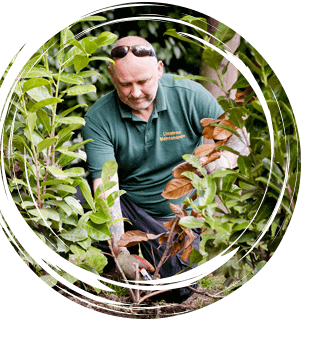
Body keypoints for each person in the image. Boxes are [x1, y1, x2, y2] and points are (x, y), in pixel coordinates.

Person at [76, 35, 247, 303]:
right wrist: (120, 252)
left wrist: (219, 163)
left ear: (159, 69)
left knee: (177, 290)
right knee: (78, 196)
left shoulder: (189, 96)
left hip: (177, 217)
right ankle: (115, 262)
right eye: (125, 84)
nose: (135, 93)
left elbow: (238, 138)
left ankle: (151, 259)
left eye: (143, 82)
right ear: (111, 75)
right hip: (129, 206)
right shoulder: (99, 117)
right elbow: (106, 188)